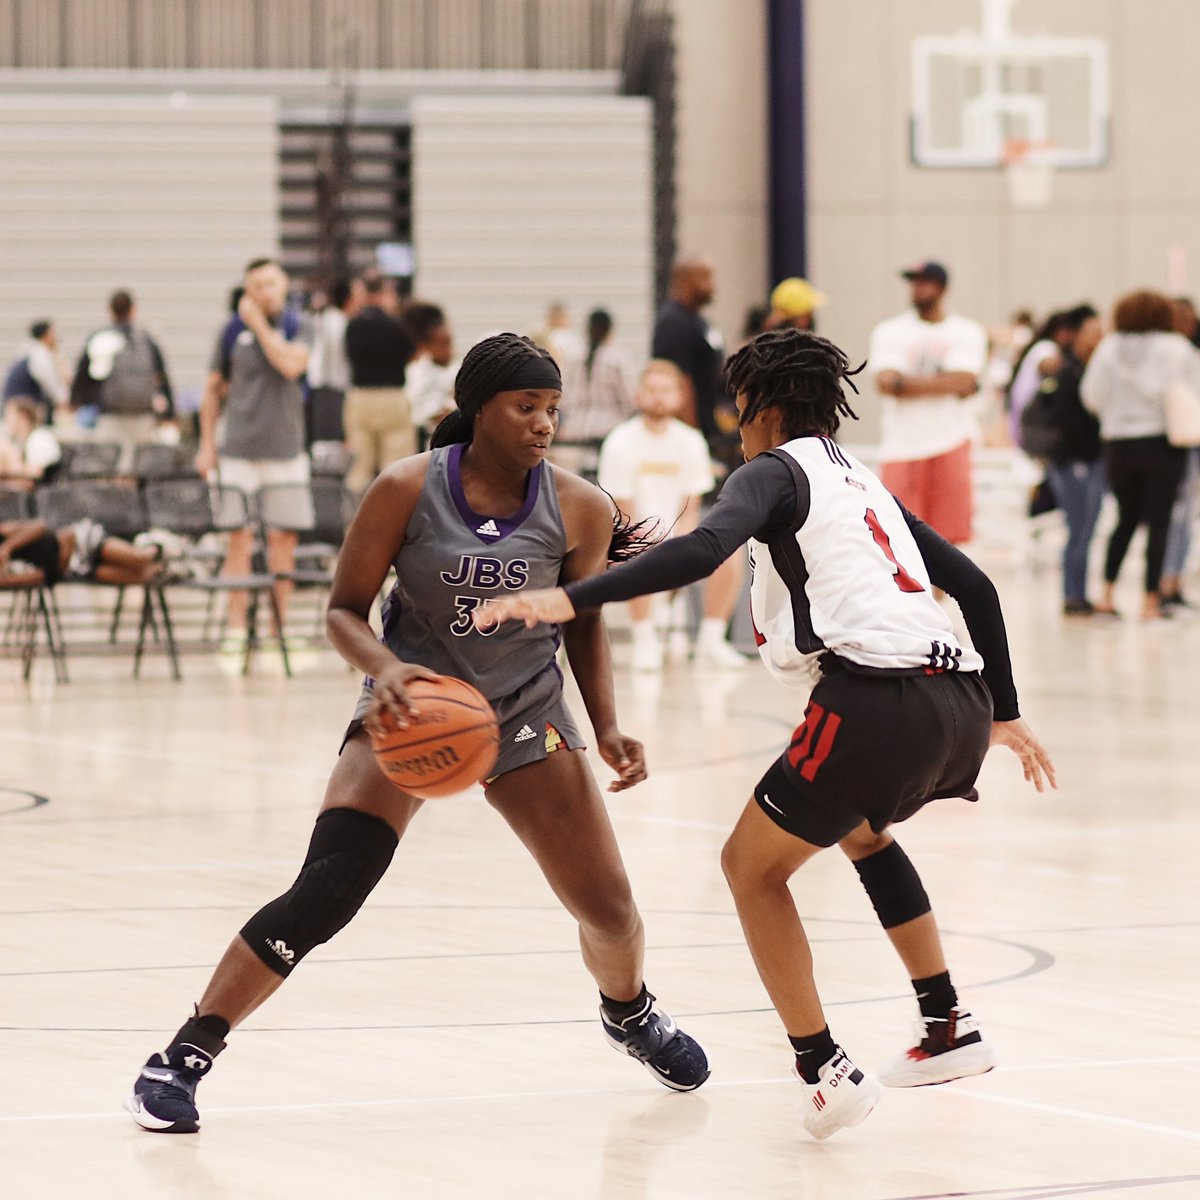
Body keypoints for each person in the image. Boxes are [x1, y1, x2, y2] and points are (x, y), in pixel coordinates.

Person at [477, 328, 1055, 1141]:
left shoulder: (772, 471)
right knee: (861, 834)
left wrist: (570, 598)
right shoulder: (865, 482)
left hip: (875, 700)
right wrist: (1005, 709)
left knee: (748, 869)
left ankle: (822, 1065)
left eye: (740, 407)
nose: (735, 422)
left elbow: (704, 549)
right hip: (957, 699)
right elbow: (973, 583)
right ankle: (947, 1024)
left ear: (767, 408)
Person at [125, 332, 709, 1135]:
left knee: (610, 913)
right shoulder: (405, 488)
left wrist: (606, 727)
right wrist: (387, 671)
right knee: (326, 893)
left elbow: (585, 624)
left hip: (524, 715)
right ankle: (184, 1055)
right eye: (526, 407)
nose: (544, 424)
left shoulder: (579, 504)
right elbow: (340, 609)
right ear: (479, 411)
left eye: (552, 409)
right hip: (410, 713)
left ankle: (629, 1011)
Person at [195, 258, 313, 648]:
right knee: (238, 540)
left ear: (283, 285)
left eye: (270, 283)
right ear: (247, 291)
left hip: (286, 450)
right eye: (255, 286)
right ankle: (234, 629)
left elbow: (292, 365)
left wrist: (259, 325)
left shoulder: (299, 325)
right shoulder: (230, 331)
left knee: (283, 540)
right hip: (238, 452)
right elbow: (212, 389)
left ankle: (279, 630)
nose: (264, 292)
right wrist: (207, 444)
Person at [598, 359, 744, 670]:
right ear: (638, 396)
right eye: (651, 389)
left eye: (665, 390)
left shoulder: (690, 441)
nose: (658, 396)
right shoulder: (620, 442)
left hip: (678, 532)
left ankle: (711, 638)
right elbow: (623, 513)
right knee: (638, 552)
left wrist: (682, 544)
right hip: (633, 534)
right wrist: (652, 543)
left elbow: (689, 507)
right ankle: (644, 639)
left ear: (678, 397)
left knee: (731, 554)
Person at [1082, 289, 1200, 621]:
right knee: (1160, 521)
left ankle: (1106, 594)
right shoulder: (1176, 348)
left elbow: (1091, 395)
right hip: (1163, 443)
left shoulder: (1109, 348)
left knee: (1125, 519)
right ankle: (1151, 600)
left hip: (1118, 444)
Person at [652, 256, 746, 662]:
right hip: (692, 447)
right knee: (681, 534)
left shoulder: (703, 323)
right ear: (684, 280)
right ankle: (661, 629)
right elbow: (681, 384)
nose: (712, 282)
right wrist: (693, 441)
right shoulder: (674, 322)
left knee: (722, 537)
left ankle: (711, 632)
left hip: (714, 439)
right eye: (705, 275)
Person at [868, 261, 988, 544]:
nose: (917, 289)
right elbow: (887, 383)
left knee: (947, 539)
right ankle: (908, 590)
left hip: (951, 440)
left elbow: (965, 380)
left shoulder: (966, 331)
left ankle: (938, 591)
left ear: (942, 288)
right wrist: (946, 382)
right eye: (914, 282)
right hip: (902, 445)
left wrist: (907, 383)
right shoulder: (890, 331)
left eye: (925, 282)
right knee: (898, 535)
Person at [1022, 307, 1106, 615]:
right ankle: (1073, 595)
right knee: (1078, 529)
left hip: (1091, 460)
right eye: (1093, 332)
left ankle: (1078, 592)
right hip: (1072, 462)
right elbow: (1065, 420)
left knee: (1085, 530)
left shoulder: (1087, 370)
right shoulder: (1066, 371)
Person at [71, 289, 174, 471]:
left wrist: (78, 402)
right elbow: (162, 374)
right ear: (133, 310)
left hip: (111, 414)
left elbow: (83, 374)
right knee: (139, 466)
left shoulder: (100, 338)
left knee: (111, 466)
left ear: (110, 311)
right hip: (143, 413)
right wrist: (169, 414)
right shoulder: (146, 339)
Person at [343, 268, 417, 494]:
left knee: (359, 469)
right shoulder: (397, 325)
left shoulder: (353, 325)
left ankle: (353, 524)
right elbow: (412, 353)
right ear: (386, 291)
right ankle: (395, 525)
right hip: (392, 397)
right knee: (396, 467)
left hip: (360, 397)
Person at [556, 308, 638, 476]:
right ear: (610, 330)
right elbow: (630, 400)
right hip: (608, 432)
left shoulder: (573, 356)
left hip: (574, 431)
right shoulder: (618, 359)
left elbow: (561, 395)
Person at [0, 515, 165, 588]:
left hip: (80, 541)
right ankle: (166, 569)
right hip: (74, 569)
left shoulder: (4, 533)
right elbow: (38, 577)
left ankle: (161, 546)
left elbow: (39, 526)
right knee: (137, 576)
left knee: (138, 559)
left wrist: (8, 547)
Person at [403, 301, 457, 447]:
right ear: (425, 345)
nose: (449, 350)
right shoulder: (416, 372)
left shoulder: (456, 371)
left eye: (450, 343)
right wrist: (436, 414)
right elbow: (415, 409)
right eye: (443, 344)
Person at [305, 277, 353, 445]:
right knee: (330, 438)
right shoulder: (337, 321)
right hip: (330, 385)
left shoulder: (327, 318)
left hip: (324, 384)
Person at [4, 320, 68, 417]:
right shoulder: (39, 354)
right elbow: (49, 381)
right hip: (23, 403)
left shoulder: (28, 349)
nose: (56, 337)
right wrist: (63, 400)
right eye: (53, 333)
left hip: (16, 400)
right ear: (45, 335)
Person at [0, 396, 62, 482]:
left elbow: (37, 472)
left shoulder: (39, 438)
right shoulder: (24, 440)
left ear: (23, 416)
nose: (7, 421)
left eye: (9, 416)